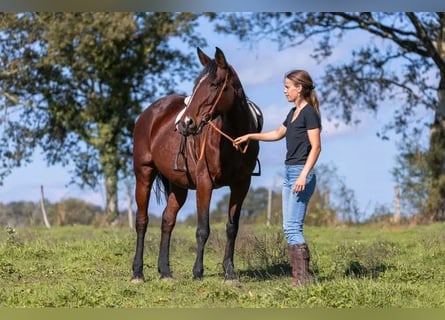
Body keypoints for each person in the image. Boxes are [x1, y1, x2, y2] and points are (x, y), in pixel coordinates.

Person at [233, 69, 321, 286]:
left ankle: (301, 280)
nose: (284, 91)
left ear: (299, 88)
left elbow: (317, 147)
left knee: (292, 227)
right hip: (289, 172)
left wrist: (303, 175)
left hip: (301, 173)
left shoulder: (310, 113)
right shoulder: (292, 113)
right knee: (288, 227)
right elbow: (276, 134)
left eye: (287, 87)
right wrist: (249, 136)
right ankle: (300, 279)